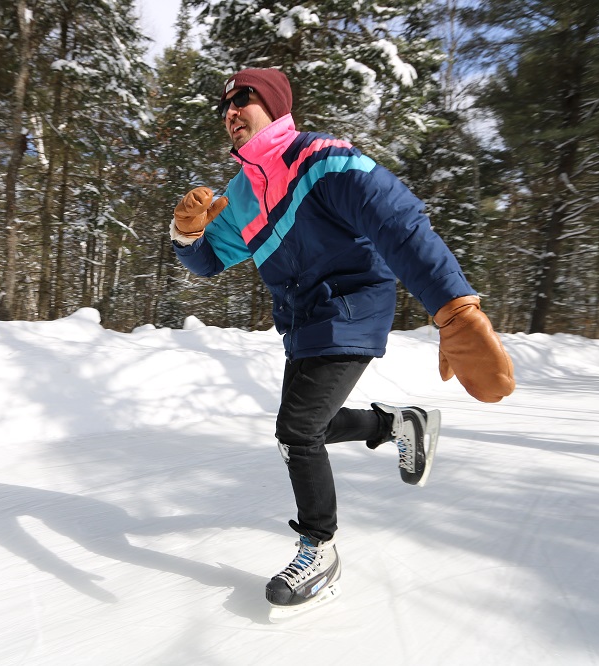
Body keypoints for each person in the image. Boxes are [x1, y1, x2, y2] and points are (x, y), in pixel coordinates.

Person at [169, 68, 515, 616]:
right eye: (225, 106)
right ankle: (398, 422)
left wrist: (452, 306)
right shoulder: (240, 197)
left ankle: (319, 549)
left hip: (353, 307)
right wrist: (186, 235)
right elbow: (210, 262)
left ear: (277, 106)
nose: (231, 112)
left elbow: (398, 222)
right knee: (315, 423)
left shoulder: (322, 159)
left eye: (243, 100)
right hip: (303, 321)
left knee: (295, 430)